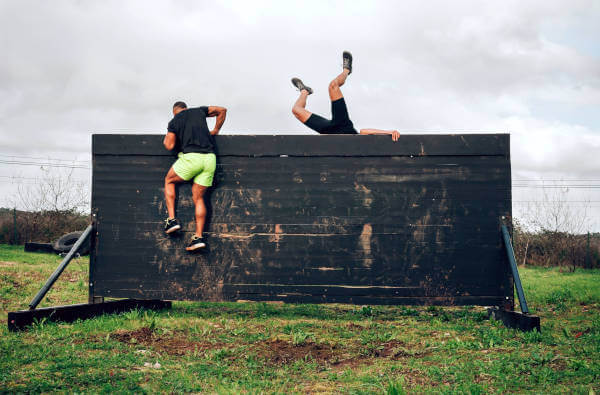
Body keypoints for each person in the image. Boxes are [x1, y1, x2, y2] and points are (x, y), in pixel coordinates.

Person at [291, 51, 400, 141]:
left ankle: (304, 91)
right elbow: (363, 131)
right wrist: (389, 132)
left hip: (328, 132)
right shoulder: (360, 141)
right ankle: (346, 70)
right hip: (343, 126)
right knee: (333, 86)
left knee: (296, 110)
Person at [163, 101, 227, 251]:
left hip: (192, 158)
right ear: (185, 108)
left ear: (175, 111)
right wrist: (216, 129)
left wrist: (171, 134)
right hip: (210, 159)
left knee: (169, 181)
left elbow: (169, 145)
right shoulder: (199, 111)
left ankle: (172, 220)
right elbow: (222, 110)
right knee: (198, 198)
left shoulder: (175, 120)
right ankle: (198, 237)